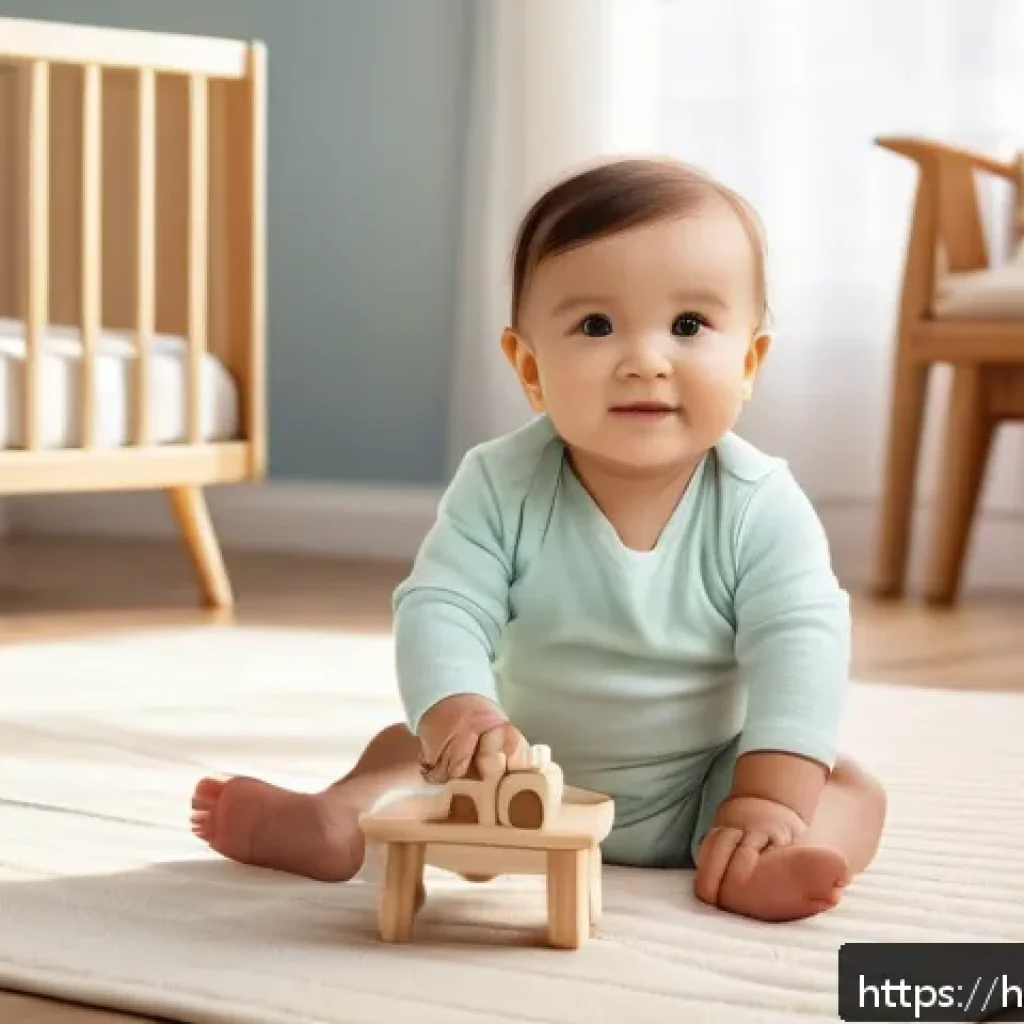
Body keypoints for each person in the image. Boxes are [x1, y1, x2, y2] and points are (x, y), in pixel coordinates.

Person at [191, 156, 886, 922]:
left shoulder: (761, 504)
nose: (645, 361)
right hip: (513, 778)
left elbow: (801, 642)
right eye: (596, 326)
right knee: (404, 745)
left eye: (688, 326)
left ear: (749, 362)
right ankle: (336, 821)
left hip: (706, 788)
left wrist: (767, 798)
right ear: (529, 367)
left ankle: (760, 855)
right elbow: (442, 606)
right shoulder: (501, 484)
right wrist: (463, 716)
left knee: (847, 787)